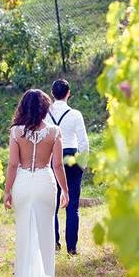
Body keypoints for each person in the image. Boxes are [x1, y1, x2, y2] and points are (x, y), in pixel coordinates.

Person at [2, 89, 70, 277]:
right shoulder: (54, 132)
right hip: (44, 183)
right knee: (45, 237)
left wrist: (7, 191)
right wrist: (65, 190)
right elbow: (58, 166)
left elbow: (12, 165)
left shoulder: (15, 132)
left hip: (23, 183)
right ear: (44, 108)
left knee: (24, 236)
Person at [46, 79, 89, 255]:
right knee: (73, 206)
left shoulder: (45, 114)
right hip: (71, 158)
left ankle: (54, 244)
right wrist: (82, 164)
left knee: (52, 205)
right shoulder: (75, 114)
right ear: (68, 93)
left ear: (52, 94)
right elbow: (84, 142)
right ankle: (72, 248)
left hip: (51, 159)